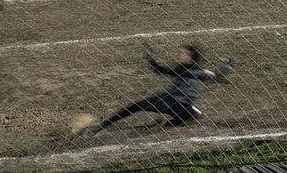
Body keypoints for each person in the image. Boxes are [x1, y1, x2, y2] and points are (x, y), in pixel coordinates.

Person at [80, 43, 234, 134]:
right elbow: (218, 77)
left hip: (172, 102)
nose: (181, 55)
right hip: (179, 104)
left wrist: (151, 60)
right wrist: (225, 67)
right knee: (191, 114)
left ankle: (103, 125)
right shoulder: (198, 72)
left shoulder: (189, 70)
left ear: (192, 57)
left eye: (185, 54)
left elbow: (160, 70)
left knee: (136, 106)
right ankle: (173, 122)